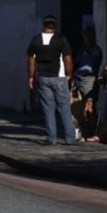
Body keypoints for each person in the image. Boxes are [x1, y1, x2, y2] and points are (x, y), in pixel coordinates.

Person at [27, 14, 78, 145]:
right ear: (54, 26)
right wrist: (69, 74)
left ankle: (52, 138)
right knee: (64, 107)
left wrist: (31, 77)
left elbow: (31, 61)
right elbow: (68, 58)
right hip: (59, 77)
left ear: (44, 25)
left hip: (43, 77)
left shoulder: (36, 40)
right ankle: (70, 137)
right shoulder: (61, 40)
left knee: (48, 109)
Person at [73, 25, 103, 140]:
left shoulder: (95, 50)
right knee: (78, 107)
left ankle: (92, 131)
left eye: (90, 35)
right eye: (86, 35)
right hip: (78, 78)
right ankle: (82, 131)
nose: (88, 38)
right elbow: (77, 62)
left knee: (90, 106)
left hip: (90, 79)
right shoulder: (81, 49)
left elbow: (93, 65)